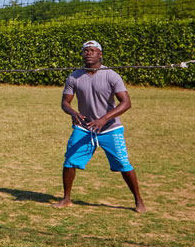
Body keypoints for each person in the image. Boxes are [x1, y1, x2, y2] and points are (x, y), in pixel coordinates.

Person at [53, 40, 147, 213]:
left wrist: (104, 119)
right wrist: (73, 113)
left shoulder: (111, 75)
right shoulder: (74, 76)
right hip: (84, 127)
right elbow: (65, 103)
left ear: (100, 54)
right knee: (69, 161)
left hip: (110, 128)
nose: (89, 53)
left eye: (93, 50)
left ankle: (138, 200)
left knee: (123, 164)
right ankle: (66, 199)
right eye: (86, 50)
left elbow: (126, 103)